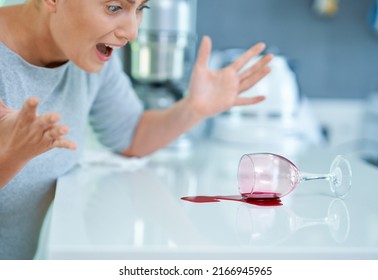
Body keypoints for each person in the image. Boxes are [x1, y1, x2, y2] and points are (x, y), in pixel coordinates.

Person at [0, 0, 273, 259]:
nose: (132, 33)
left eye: (140, 8)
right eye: (114, 7)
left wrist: (194, 108)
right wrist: (13, 154)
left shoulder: (89, 53)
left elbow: (131, 134)